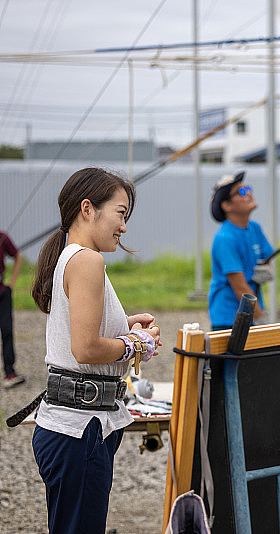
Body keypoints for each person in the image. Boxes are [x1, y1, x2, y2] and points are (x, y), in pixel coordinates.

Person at [29, 167, 162, 534]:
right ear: (88, 209)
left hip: (74, 426)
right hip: (80, 429)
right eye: (120, 213)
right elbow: (86, 348)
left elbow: (84, 333)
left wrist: (128, 328)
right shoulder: (88, 260)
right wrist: (137, 343)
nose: (123, 227)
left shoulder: (72, 257)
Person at [208, 171, 274, 330]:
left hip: (251, 311)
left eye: (248, 188)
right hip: (229, 318)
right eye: (241, 192)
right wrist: (261, 318)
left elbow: (268, 257)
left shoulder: (254, 228)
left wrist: (266, 269)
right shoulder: (225, 238)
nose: (249, 193)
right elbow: (240, 287)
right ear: (227, 205)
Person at [0, 230, 24, 388]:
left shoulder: (2, 237)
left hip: (2, 292)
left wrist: (12, 284)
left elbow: (17, 256)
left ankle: (10, 372)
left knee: (7, 331)